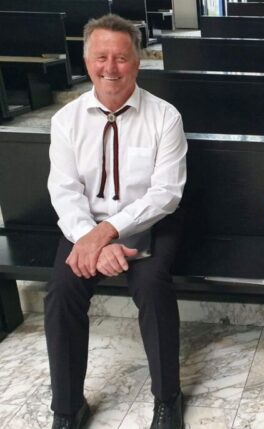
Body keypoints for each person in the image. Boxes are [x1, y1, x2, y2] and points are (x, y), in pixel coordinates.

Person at [45, 14, 187, 429]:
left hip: (150, 223)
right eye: (101, 57)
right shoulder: (66, 120)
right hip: (85, 227)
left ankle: (168, 399)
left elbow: (165, 194)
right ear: (87, 61)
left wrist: (106, 234)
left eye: (121, 58)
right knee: (61, 293)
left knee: (152, 287)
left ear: (138, 62)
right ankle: (67, 407)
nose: (111, 68)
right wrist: (91, 238)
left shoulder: (165, 117)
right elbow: (64, 191)